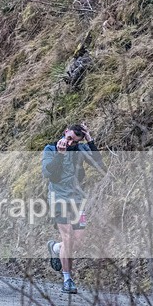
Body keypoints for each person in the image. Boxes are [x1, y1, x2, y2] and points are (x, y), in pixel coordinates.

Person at [41, 123, 105, 293]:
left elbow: (100, 166)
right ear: (65, 132)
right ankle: (67, 279)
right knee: (68, 237)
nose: (70, 143)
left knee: (78, 241)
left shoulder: (81, 149)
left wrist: (90, 141)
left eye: (75, 141)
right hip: (58, 199)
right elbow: (50, 174)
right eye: (69, 138)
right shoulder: (50, 149)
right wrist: (60, 156)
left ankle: (55, 247)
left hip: (77, 199)